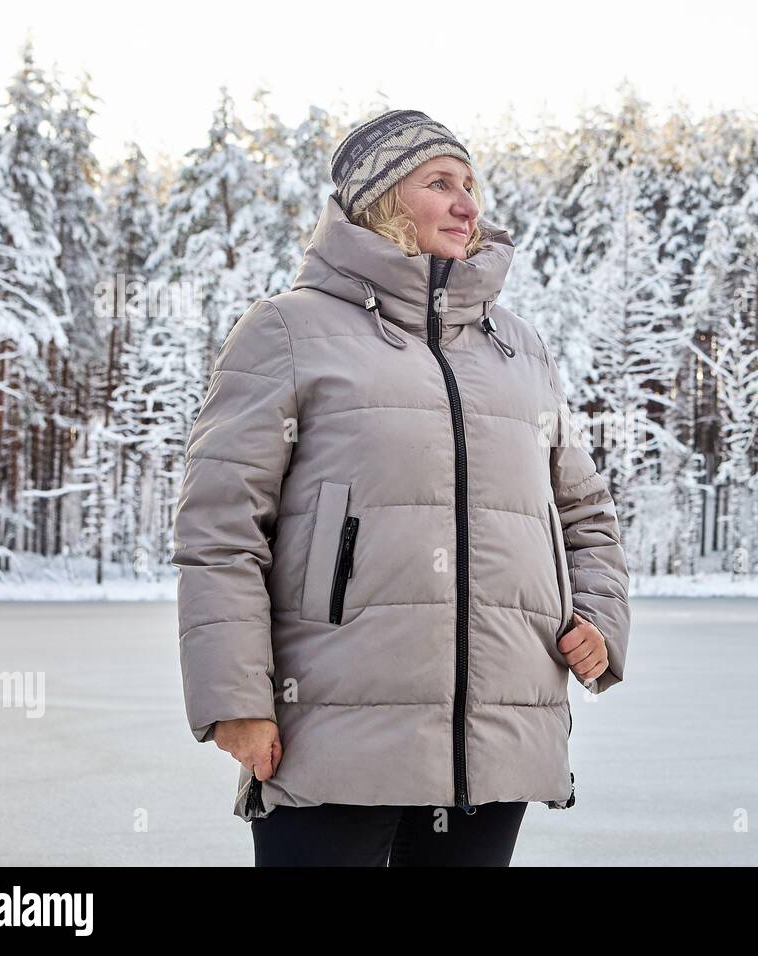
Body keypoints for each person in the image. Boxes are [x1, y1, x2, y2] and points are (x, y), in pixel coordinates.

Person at [170, 109, 632, 866]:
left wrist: (602, 621)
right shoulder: (287, 331)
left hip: (497, 737)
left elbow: (584, 510)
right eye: (440, 183)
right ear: (382, 200)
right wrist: (236, 702)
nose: (467, 205)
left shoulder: (518, 347)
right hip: (334, 735)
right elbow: (222, 530)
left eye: (471, 185)